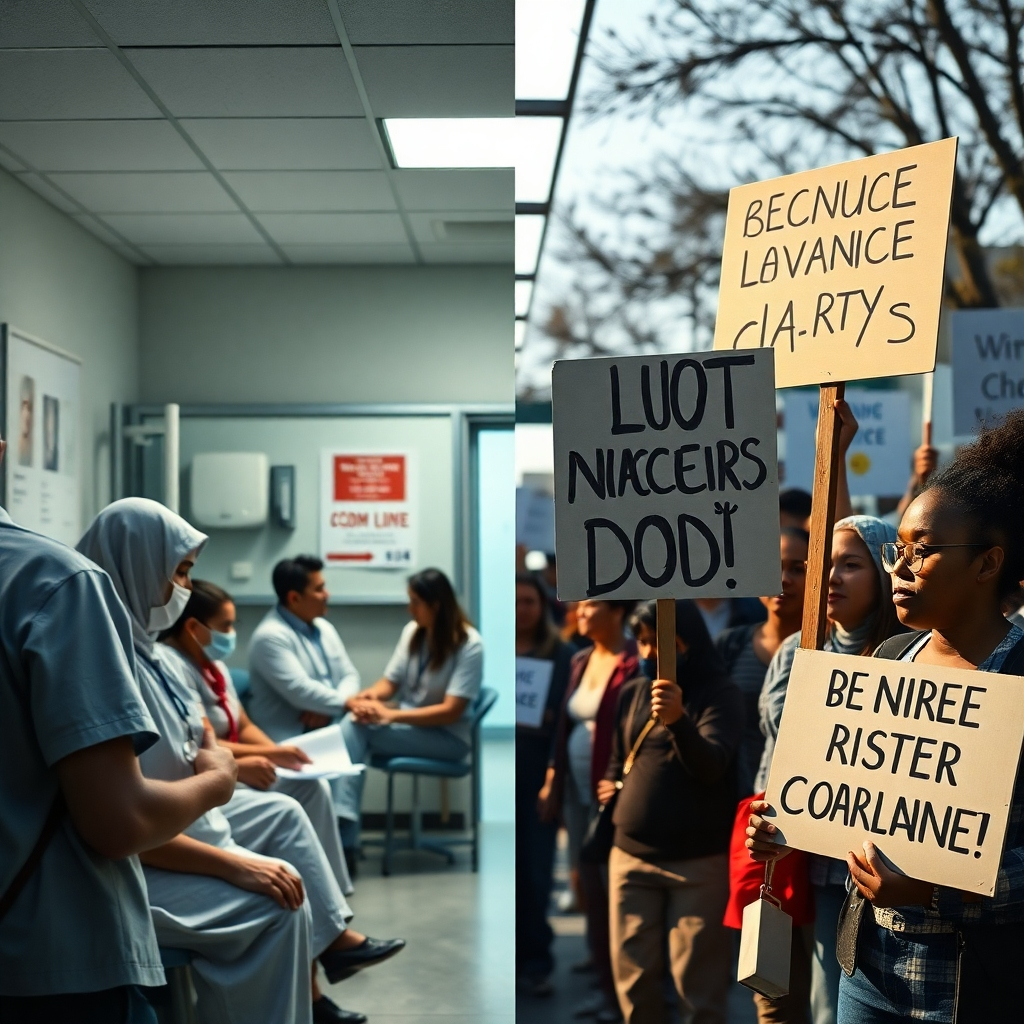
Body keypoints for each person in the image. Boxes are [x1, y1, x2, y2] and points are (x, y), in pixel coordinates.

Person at [77, 500, 404, 1024]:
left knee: (285, 813)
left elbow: (201, 734)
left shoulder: (150, 652)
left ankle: (333, 939)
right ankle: (314, 984)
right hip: (144, 856)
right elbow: (130, 819)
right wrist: (230, 839)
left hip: (185, 820)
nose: (181, 591)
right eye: (177, 573)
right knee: (280, 904)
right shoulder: (107, 665)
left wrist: (218, 764)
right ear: (137, 567)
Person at [748, 413, 1024, 1023]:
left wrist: (933, 890)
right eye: (898, 549)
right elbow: (853, 797)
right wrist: (786, 826)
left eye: (922, 552)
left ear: (988, 564)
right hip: (867, 972)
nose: (897, 567)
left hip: (973, 987)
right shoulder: (892, 657)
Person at [0, 436, 237, 1023]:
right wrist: (219, 780)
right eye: (178, 572)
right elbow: (119, 821)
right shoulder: (54, 585)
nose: (181, 589)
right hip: (49, 952)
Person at [751, 516, 903, 1024]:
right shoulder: (795, 650)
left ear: (884, 574)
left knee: (830, 1006)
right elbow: (772, 753)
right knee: (774, 999)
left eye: (852, 565)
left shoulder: (906, 659)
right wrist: (763, 830)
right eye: (827, 564)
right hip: (785, 859)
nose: (832, 576)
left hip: (862, 871)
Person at [598, 600, 742, 1024]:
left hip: (697, 867)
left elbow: (712, 766)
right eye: (640, 641)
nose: (645, 653)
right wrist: (613, 784)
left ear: (687, 643)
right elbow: (618, 754)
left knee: (697, 988)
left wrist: (679, 720)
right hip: (630, 858)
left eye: (657, 642)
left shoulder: (720, 693)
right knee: (636, 985)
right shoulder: (633, 692)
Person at [161, 580, 353, 895]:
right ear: (194, 627)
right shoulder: (174, 669)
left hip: (238, 765)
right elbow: (201, 742)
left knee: (313, 786)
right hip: (215, 774)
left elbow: (243, 723)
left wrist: (278, 752)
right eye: (225, 626)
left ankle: (334, 894)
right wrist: (258, 759)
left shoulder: (216, 667)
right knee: (288, 809)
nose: (231, 634)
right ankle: (323, 903)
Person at [539, 599, 638, 1022]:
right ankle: (605, 981)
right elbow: (564, 726)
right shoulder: (581, 658)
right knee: (588, 887)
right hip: (579, 792)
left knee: (613, 891)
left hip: (613, 795)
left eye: (591, 604)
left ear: (617, 611)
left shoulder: (635, 660)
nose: (580, 612)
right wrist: (552, 778)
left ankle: (623, 991)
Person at [334, 567, 483, 850]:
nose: (409, 608)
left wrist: (389, 714)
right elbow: (390, 682)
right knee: (356, 719)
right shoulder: (414, 632)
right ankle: (343, 827)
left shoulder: (469, 644)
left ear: (436, 605)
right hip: (411, 726)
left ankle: (343, 828)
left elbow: (451, 711)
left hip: (447, 738)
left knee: (355, 727)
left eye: (415, 602)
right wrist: (370, 697)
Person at [716, 527, 809, 798]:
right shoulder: (729, 645)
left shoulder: (829, 652)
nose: (783, 579)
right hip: (731, 806)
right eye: (773, 567)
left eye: (797, 569)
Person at [515, 572, 573, 997]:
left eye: (529, 601)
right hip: (502, 774)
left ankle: (537, 962)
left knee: (536, 874)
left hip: (540, 776)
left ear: (542, 606)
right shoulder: (493, 651)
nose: (521, 610)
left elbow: (563, 724)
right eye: (514, 601)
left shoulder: (564, 656)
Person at [248, 555, 361, 742]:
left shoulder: (324, 627)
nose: (327, 595)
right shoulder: (269, 637)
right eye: (319, 589)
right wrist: (344, 703)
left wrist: (330, 707)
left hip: (329, 724)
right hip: (290, 739)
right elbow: (300, 690)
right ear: (294, 598)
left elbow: (350, 675)